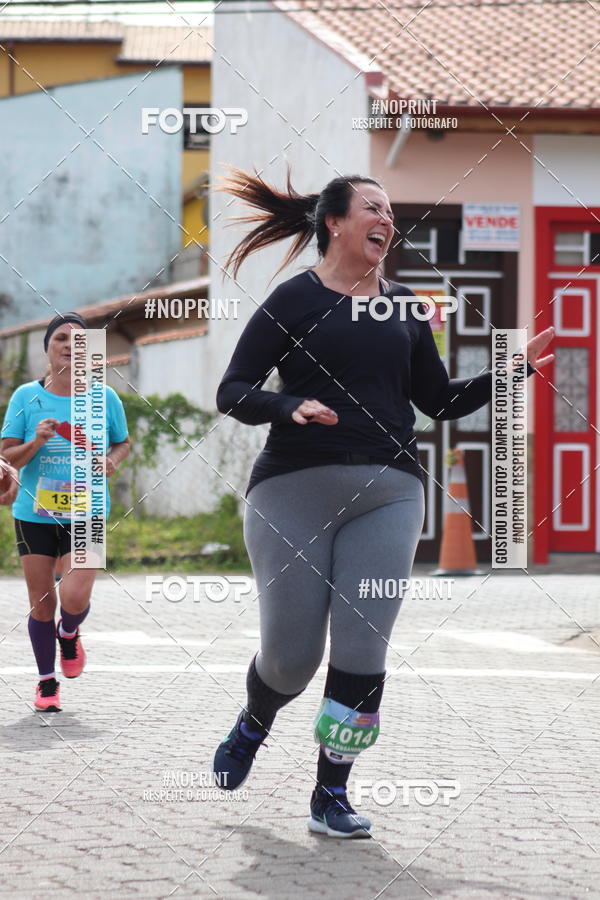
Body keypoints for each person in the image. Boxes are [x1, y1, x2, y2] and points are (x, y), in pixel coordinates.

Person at [212, 168, 554, 838]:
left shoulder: (405, 307)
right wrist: (289, 404)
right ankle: (255, 721)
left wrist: (515, 367)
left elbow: (440, 401)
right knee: (290, 659)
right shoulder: (292, 302)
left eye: (391, 212)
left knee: (364, 644)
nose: (387, 221)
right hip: (291, 492)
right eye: (374, 208)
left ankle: (330, 793)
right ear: (335, 222)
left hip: (390, 491)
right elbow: (234, 389)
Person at [1, 313, 130, 712]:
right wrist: (36, 441)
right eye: (61, 338)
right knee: (42, 602)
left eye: (79, 341)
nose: (69, 346)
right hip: (35, 514)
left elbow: (123, 443)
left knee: (74, 598)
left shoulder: (103, 397)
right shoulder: (26, 397)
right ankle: (45, 682)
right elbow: (7, 457)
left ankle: (70, 633)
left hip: (87, 511)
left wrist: (112, 460)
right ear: (47, 348)